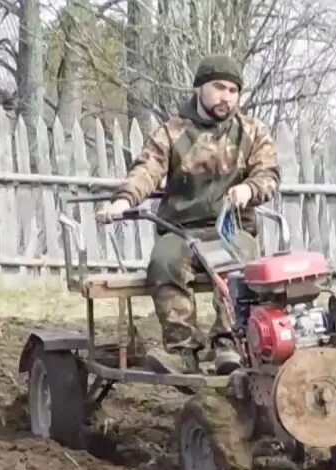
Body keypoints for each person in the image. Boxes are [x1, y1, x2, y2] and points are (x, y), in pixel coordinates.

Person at [95, 53, 280, 376]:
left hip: (230, 228)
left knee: (240, 262)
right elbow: (147, 170)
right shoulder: (172, 131)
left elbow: (269, 175)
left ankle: (229, 344)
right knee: (164, 261)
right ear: (199, 88)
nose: (226, 97)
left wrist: (250, 189)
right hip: (180, 229)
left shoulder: (251, 132)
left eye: (233, 90)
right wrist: (123, 201)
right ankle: (182, 351)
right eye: (218, 87)